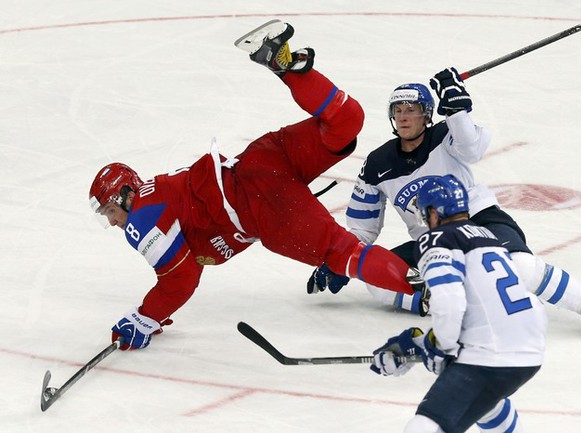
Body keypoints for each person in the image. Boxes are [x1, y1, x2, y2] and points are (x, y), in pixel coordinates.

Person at [88, 21, 425, 350]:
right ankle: (286, 66)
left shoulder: (142, 219)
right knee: (344, 122)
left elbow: (180, 279)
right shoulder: (158, 190)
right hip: (262, 158)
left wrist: (145, 317)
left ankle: (425, 290)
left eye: (111, 210)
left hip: (262, 205)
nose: (114, 221)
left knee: (343, 253)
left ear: (126, 194)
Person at [308, 67, 581, 327]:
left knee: (521, 267)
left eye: (412, 110)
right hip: (432, 240)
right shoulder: (377, 164)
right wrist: (343, 259)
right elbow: (363, 226)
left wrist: (457, 110)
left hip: (479, 220)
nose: (404, 117)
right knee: (378, 278)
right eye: (398, 110)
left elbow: (472, 148)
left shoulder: (446, 134)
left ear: (428, 114)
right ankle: (435, 301)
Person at [370, 175, 547, 433]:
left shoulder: (437, 240)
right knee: (486, 402)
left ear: (434, 213)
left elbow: (449, 301)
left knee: (424, 426)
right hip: (529, 344)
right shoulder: (487, 235)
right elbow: (479, 309)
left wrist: (441, 346)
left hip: (492, 351)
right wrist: (420, 342)